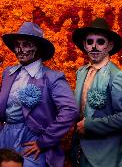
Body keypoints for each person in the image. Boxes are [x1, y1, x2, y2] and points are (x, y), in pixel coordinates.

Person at [0, 22, 79, 167]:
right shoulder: (8, 73)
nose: (20, 49)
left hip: (31, 140)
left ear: (37, 47)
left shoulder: (52, 77)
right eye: (17, 44)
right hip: (5, 137)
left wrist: (44, 141)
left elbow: (70, 110)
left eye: (26, 44)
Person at [71, 18, 122, 167]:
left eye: (100, 42)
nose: (94, 46)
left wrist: (91, 125)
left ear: (109, 46)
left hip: (106, 154)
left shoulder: (117, 75)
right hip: (80, 150)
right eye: (89, 42)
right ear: (84, 45)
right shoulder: (81, 72)